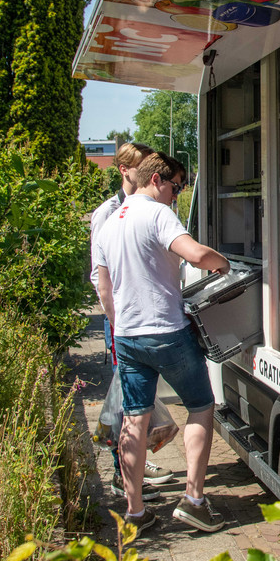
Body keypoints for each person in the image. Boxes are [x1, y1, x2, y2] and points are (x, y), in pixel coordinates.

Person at [94, 151, 231, 534]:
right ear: (156, 180)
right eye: (176, 186)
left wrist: (121, 327)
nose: (176, 194)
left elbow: (104, 290)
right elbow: (197, 254)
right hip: (167, 331)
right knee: (200, 406)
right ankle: (194, 501)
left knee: (134, 419)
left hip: (127, 337)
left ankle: (135, 512)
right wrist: (224, 264)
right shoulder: (157, 214)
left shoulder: (109, 223)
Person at [89, 143, 177, 499]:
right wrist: (116, 321)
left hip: (141, 319)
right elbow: (99, 275)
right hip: (122, 321)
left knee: (138, 397)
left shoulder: (149, 207)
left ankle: (135, 465)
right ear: (125, 170)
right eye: (141, 165)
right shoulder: (109, 213)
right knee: (126, 399)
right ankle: (120, 472)